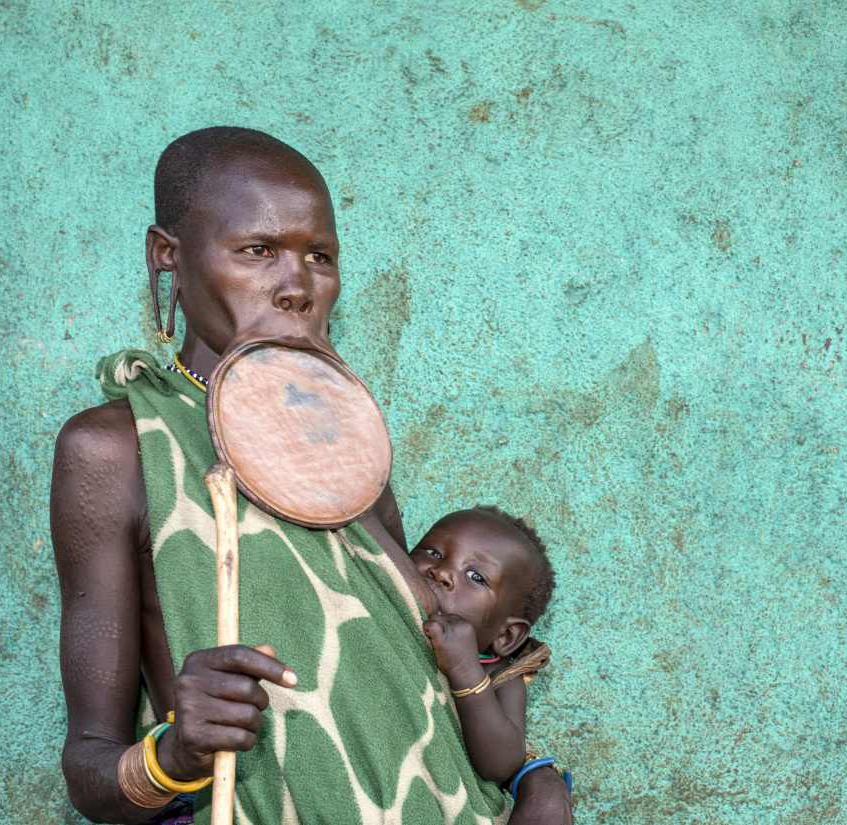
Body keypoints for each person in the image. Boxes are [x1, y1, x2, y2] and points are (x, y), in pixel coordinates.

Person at [50, 126, 573, 825]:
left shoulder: (349, 448)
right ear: (166, 254)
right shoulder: (115, 450)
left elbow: (418, 673)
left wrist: (537, 781)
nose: (296, 287)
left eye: (319, 257)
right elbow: (90, 774)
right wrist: (173, 755)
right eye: (257, 250)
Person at [380, 506, 567, 789]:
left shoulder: (499, 676)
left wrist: (465, 669)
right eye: (433, 552)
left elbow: (502, 764)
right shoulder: (386, 601)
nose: (441, 572)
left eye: (475, 577)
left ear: (507, 635)